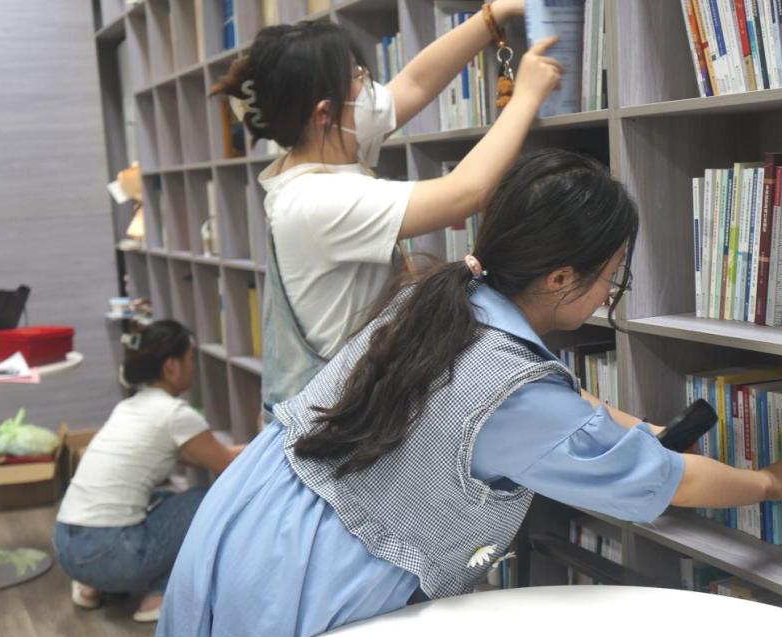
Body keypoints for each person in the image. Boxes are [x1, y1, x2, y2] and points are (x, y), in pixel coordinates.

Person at [148, 150, 782, 637]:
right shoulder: (518, 389)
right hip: (310, 570)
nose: (609, 293)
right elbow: (664, 480)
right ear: (560, 278)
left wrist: (635, 429)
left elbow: (551, 405)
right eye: (611, 276)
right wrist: (770, 483)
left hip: (251, 513)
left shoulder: (441, 299)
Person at [209, 0, 563, 414]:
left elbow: (413, 84)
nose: (371, 88)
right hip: (330, 418)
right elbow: (465, 194)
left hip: (354, 392)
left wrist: (492, 16)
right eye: (358, 77)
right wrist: (525, 97)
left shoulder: (327, 143)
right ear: (324, 112)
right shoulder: (316, 200)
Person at [53, 320, 245, 622]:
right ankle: (158, 595)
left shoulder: (129, 407)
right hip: (111, 551)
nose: (193, 367)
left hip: (66, 547)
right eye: (190, 358)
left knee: (164, 499)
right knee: (206, 501)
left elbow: (191, 455)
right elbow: (227, 464)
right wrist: (270, 439)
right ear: (171, 366)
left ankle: (92, 586)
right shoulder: (175, 414)